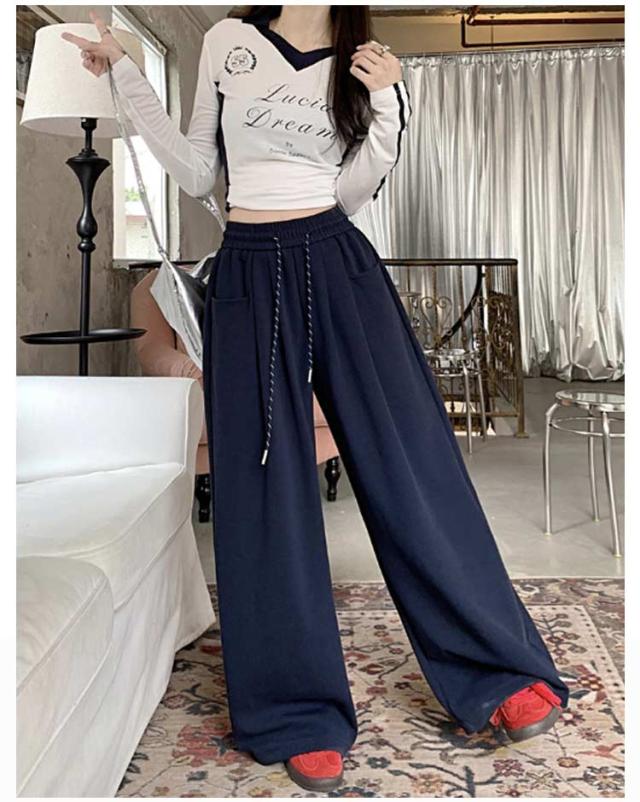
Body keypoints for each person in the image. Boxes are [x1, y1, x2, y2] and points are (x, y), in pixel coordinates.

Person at [63, 5, 570, 793]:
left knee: (413, 463)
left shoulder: (362, 56)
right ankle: (294, 709)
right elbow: (196, 173)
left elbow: (352, 190)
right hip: (248, 269)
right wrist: (128, 73)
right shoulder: (229, 41)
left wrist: (391, 103)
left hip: (338, 261)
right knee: (263, 486)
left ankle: (497, 669)